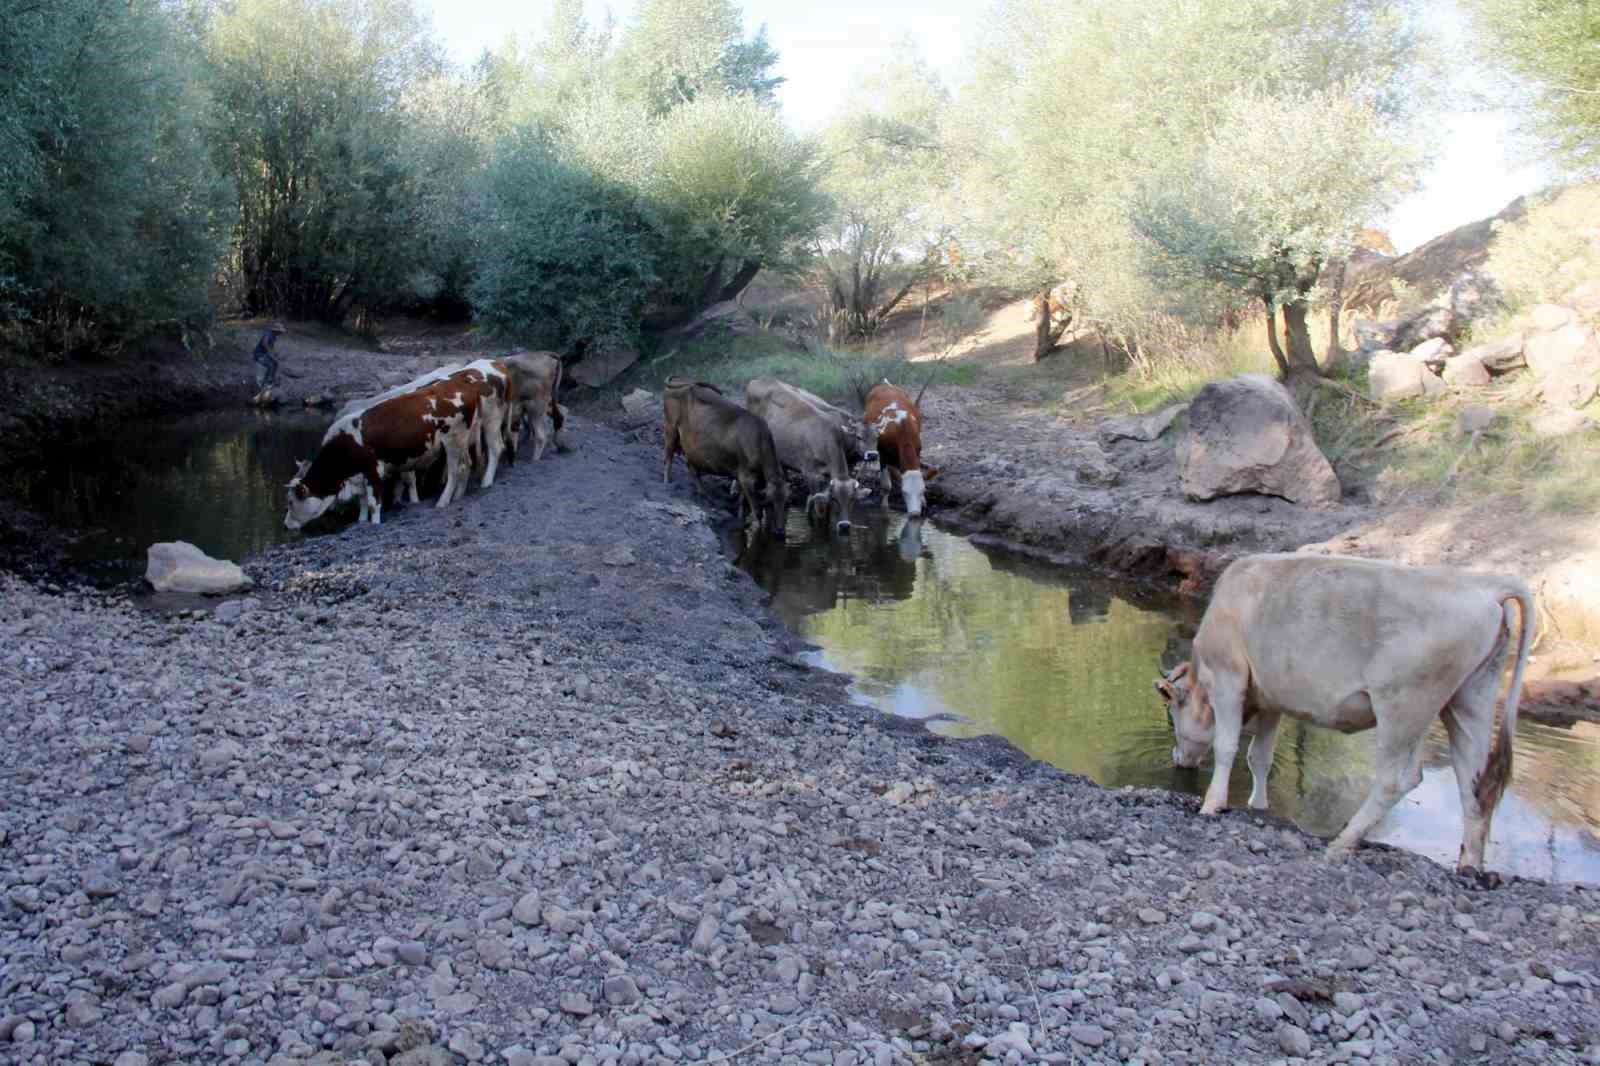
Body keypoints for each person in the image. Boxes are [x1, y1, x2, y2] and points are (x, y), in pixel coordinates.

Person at [253, 322, 287, 391]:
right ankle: (265, 383)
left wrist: (275, 354)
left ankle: (270, 381)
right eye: (280, 332)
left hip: (264, 354)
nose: (281, 333)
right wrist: (270, 353)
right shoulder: (268, 333)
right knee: (270, 365)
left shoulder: (274, 336)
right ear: (276, 330)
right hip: (259, 354)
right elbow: (264, 343)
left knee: (275, 364)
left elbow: (271, 347)